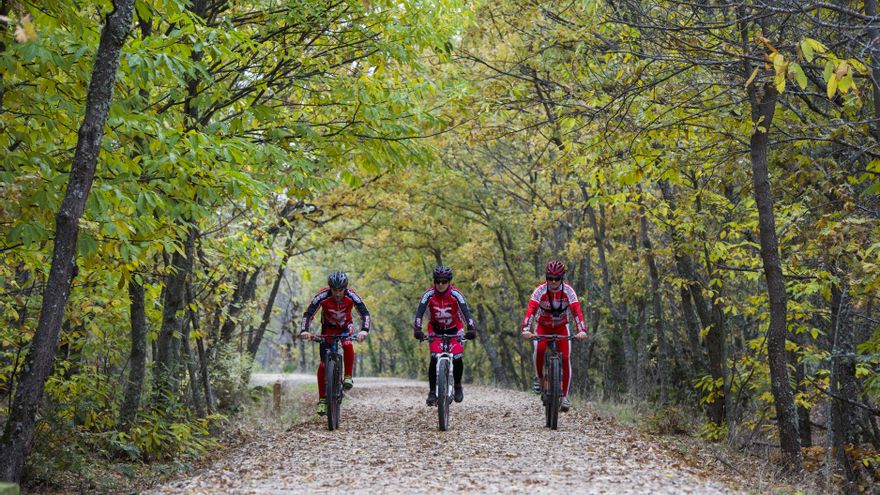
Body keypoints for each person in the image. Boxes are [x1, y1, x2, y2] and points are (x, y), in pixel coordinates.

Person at [300, 271, 370, 415]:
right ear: (330, 288)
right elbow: (308, 314)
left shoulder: (352, 296)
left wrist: (364, 330)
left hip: (346, 327)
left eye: (340, 290)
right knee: (323, 364)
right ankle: (322, 400)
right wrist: (304, 331)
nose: (337, 293)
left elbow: (365, 314)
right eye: (334, 290)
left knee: (347, 344)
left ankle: (348, 377)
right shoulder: (322, 295)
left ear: (345, 287)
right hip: (328, 329)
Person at [520, 261, 587, 412]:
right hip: (543, 326)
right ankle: (538, 377)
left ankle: (564, 396)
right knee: (540, 348)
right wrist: (526, 328)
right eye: (550, 278)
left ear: (562, 278)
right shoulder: (539, 291)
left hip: (562, 327)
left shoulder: (569, 291)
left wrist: (582, 330)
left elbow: (576, 312)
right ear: (546, 278)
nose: (553, 282)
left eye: (557, 278)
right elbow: (531, 310)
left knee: (565, 358)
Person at [413, 266, 477, 406]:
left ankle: (458, 385)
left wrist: (471, 328)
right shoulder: (428, 295)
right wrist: (417, 329)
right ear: (434, 281)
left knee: (458, 358)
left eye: (444, 281)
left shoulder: (456, 294)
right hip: (436, 329)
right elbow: (419, 313)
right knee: (434, 358)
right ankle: (431, 392)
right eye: (438, 281)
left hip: (455, 329)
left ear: (449, 281)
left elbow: (466, 312)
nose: (440, 285)